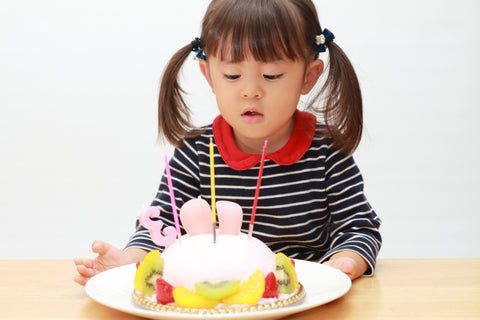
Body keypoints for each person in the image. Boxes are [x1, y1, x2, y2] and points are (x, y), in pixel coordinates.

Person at [74, 0, 381, 286]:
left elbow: (358, 226)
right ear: (209, 75)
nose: (251, 91)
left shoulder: (326, 151)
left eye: (271, 75)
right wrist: (128, 263)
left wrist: (345, 262)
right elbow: (162, 226)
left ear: (308, 76)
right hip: (216, 295)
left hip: (306, 294)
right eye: (233, 75)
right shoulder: (195, 152)